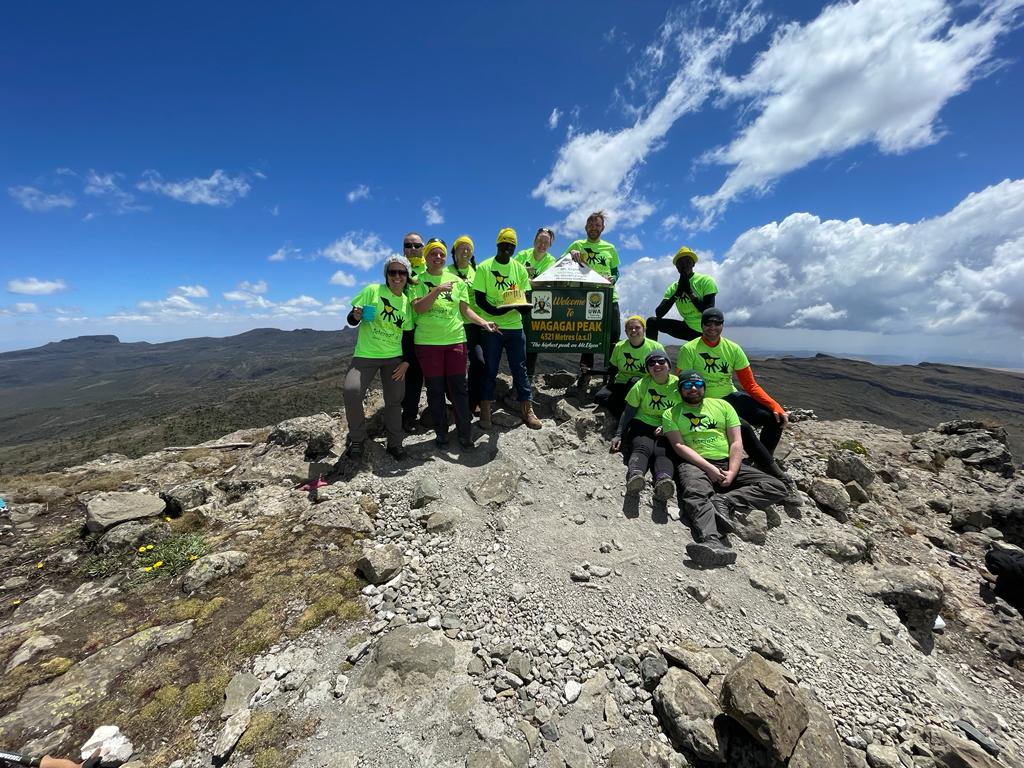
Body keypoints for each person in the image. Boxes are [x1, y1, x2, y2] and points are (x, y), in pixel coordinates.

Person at [662, 371, 788, 567]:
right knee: (695, 494)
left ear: (704, 386)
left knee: (776, 486)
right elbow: (679, 446)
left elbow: (737, 441)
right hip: (695, 463)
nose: (693, 388)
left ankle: (726, 501)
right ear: (680, 391)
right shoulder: (671, 414)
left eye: (697, 384)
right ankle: (711, 540)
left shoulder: (723, 406)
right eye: (687, 385)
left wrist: (733, 471)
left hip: (727, 461)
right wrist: (709, 468)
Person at [676, 308, 790, 480]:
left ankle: (761, 461)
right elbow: (683, 383)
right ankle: (771, 470)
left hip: (729, 396)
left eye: (717, 323)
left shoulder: (733, 349)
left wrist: (775, 406)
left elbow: (750, 385)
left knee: (772, 419)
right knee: (742, 426)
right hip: (703, 400)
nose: (712, 327)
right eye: (708, 323)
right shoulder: (689, 349)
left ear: (722, 325)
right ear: (701, 325)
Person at [411, 238, 499, 448]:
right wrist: (437, 290)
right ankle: (441, 432)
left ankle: (464, 432)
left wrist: (483, 322)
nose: (438, 257)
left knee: (459, 388)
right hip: (427, 343)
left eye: (441, 254)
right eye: (433, 253)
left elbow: (464, 310)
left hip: (455, 341)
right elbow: (418, 308)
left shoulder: (456, 281)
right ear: (426, 257)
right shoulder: (417, 280)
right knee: (435, 389)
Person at [343, 254, 416, 461]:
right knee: (351, 391)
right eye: (392, 272)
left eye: (402, 272)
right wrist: (355, 315)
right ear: (386, 274)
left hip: (394, 358)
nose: (397, 276)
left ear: (407, 276)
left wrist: (406, 362)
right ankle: (357, 439)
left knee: (394, 401)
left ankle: (395, 443)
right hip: (365, 355)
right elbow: (351, 318)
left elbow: (409, 337)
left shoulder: (406, 303)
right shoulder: (372, 291)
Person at [473, 227, 542, 430]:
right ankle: (485, 408)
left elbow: (526, 298)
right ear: (497, 245)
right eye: (504, 245)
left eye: (511, 246)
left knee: (520, 368)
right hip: (491, 328)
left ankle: (527, 409)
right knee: (490, 368)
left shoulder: (519, 269)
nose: (507, 249)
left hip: (514, 328)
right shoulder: (485, 268)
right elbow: (479, 300)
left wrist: (519, 307)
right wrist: (500, 312)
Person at [610, 352, 680, 501]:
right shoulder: (642, 384)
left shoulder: (678, 385)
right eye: (651, 363)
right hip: (642, 423)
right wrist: (619, 433)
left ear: (668, 365)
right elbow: (629, 411)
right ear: (648, 369)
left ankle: (663, 481)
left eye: (661, 361)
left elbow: (684, 411)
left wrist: (667, 426)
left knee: (663, 451)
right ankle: (636, 475)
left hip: (668, 426)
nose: (656, 365)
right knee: (642, 447)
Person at [564, 211, 620, 377]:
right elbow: (561, 264)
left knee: (613, 338)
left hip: (609, 296)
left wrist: (613, 278)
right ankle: (585, 375)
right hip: (586, 297)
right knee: (587, 338)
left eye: (597, 225)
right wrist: (570, 254)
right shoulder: (577, 244)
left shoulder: (610, 248)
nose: (594, 227)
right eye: (591, 224)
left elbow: (616, 271)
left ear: (603, 228)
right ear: (585, 227)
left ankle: (610, 377)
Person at [444, 235, 484, 415]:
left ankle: (473, 399)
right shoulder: (446, 272)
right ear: (454, 252)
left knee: (478, 362)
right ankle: (456, 399)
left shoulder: (477, 271)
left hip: (475, 324)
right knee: (454, 366)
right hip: (453, 325)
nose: (465, 251)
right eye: (461, 248)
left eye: (469, 248)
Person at [595, 316, 666, 417]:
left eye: (637, 327)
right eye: (630, 328)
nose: (633, 330)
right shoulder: (619, 347)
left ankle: (628, 414)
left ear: (644, 329)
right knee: (600, 397)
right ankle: (628, 408)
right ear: (626, 331)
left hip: (645, 384)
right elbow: (613, 369)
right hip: (622, 383)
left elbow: (662, 371)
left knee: (634, 381)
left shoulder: (655, 347)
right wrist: (590, 370)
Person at [646, 246, 717, 343]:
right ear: (677, 267)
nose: (684, 265)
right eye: (680, 263)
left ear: (693, 264)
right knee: (652, 322)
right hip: (687, 328)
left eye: (687, 261)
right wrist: (677, 294)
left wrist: (689, 292)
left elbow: (709, 312)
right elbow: (659, 313)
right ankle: (652, 355)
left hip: (704, 331)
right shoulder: (673, 288)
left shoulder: (705, 281)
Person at [517, 227, 557, 379]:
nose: (542, 244)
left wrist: (528, 282)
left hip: (539, 306)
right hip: (519, 304)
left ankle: (529, 378)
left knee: (533, 342)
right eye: (540, 240)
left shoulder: (551, 261)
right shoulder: (522, 255)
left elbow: (548, 283)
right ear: (534, 240)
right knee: (519, 342)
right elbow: (512, 275)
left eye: (546, 242)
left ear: (550, 245)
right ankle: (518, 378)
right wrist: (531, 283)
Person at [400, 232, 426, 431]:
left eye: (417, 245)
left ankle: (436, 411)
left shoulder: (430, 268)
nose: (413, 249)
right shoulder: (398, 269)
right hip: (405, 329)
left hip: (428, 328)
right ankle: (408, 414)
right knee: (411, 372)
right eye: (409, 245)